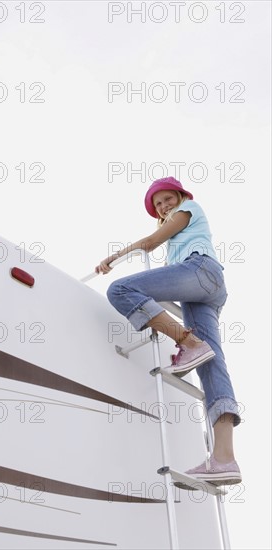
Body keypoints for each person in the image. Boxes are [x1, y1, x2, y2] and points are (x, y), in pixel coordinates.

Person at [95, 176, 242, 485]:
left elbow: (151, 242)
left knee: (120, 289)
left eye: (166, 199)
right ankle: (224, 458)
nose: (163, 206)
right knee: (212, 365)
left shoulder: (189, 209)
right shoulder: (179, 225)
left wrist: (115, 257)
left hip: (201, 270)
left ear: (179, 195)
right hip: (202, 289)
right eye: (158, 204)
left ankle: (187, 342)